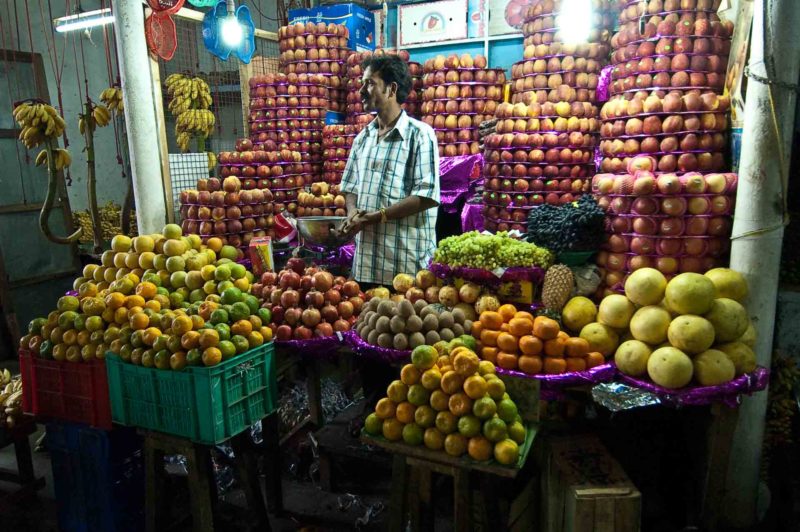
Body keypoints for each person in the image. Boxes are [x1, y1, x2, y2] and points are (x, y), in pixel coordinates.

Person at [339, 54, 440, 288]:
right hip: (366, 265)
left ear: (391, 89)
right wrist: (353, 213)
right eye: (362, 83)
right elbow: (350, 187)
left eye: (370, 83)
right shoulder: (363, 138)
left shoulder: (420, 135)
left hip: (405, 266)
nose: (362, 90)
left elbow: (425, 196)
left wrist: (376, 217)